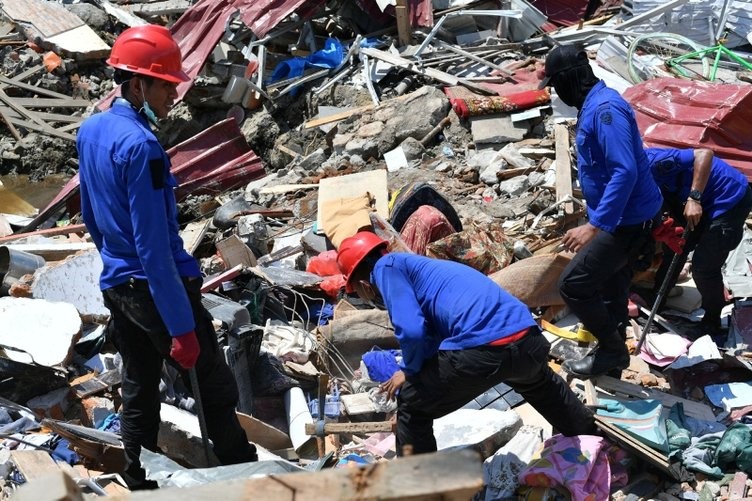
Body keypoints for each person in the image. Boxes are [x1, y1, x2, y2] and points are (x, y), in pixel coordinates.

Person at [76, 25, 257, 489]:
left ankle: (136, 479)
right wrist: (180, 327)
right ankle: (246, 478)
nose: (173, 95)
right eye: (167, 85)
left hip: (118, 284)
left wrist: (115, 265)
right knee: (214, 389)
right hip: (156, 290)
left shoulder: (92, 129)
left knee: (138, 386)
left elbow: (91, 216)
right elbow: (155, 249)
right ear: (138, 84)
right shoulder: (143, 147)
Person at [336, 231, 595, 456]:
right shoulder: (422, 269)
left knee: (413, 404)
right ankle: (595, 443)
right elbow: (435, 332)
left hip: (486, 349)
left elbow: (412, 331)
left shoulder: (386, 268)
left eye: (355, 291)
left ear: (362, 284)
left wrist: (411, 371)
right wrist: (411, 367)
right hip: (528, 339)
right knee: (541, 384)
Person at [538, 44, 664, 379]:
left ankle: (612, 350)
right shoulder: (593, 105)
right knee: (611, 285)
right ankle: (611, 355)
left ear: (570, 78)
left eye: (555, 85)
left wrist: (594, 225)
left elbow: (625, 171)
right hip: (621, 216)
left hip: (627, 221)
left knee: (574, 285)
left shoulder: (605, 109)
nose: (555, 93)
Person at [646, 147, 752, 340]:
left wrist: (694, 198)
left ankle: (711, 322)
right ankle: (656, 304)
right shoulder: (628, 178)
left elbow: (705, 153)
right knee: (675, 248)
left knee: (704, 268)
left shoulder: (653, 161)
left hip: (727, 199)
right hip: (686, 197)